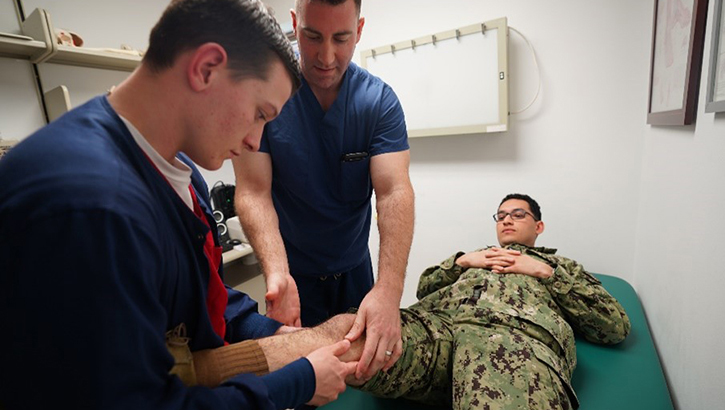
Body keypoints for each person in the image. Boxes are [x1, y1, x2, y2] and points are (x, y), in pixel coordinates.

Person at [0, 1, 357, 409]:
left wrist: (274, 335)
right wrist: (299, 383)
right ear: (206, 68)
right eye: (260, 114)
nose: (256, 141)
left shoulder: (178, 169)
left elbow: (198, 292)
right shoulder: (89, 207)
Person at [193, 193, 631, 409]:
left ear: (539, 227)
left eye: (518, 215)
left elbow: (614, 326)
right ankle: (197, 376)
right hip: (440, 332)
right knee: (352, 326)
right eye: (500, 215)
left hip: (513, 341)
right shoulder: (472, 258)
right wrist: (461, 260)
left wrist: (546, 273)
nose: (507, 221)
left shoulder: (563, 268)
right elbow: (424, 287)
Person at [232, 0, 414, 380]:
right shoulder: (270, 98)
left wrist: (388, 291)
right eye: (312, 36)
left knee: (366, 378)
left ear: (359, 30)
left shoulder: (377, 102)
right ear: (295, 24)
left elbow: (394, 191)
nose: (326, 56)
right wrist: (278, 274)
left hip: (356, 275)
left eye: (342, 38)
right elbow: (253, 191)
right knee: (305, 385)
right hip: (294, 278)